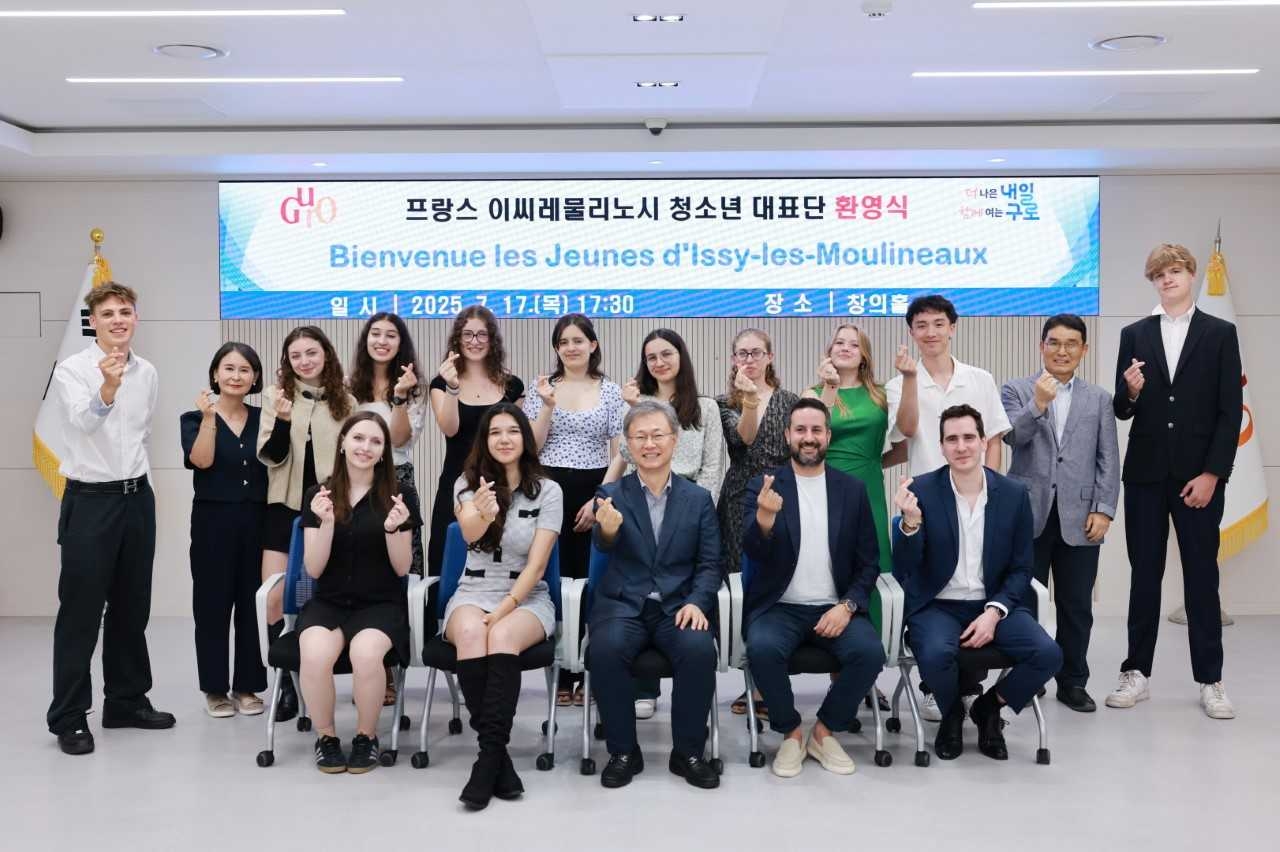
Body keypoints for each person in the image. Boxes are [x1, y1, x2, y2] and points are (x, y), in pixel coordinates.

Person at [1108, 244, 1243, 719]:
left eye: (1175, 271)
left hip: (1199, 477)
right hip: (1145, 475)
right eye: (1159, 274)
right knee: (1144, 575)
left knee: (1202, 577)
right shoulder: (1134, 334)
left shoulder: (1220, 333)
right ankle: (1135, 672)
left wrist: (1212, 474)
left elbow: (1229, 411)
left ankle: (1211, 679)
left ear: (1190, 275)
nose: (1167, 279)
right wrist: (1130, 391)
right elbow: (1121, 409)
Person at [892, 404, 1062, 762]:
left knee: (1048, 654)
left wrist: (994, 612)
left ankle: (988, 708)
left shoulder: (1013, 494)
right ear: (941, 447)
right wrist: (910, 523)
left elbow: (1021, 568)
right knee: (935, 654)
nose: (961, 446)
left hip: (994, 603)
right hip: (938, 604)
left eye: (969, 437)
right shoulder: (922, 490)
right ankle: (952, 713)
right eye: (952, 439)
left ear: (984, 442)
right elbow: (904, 568)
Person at [46, 281, 174, 755]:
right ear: (93, 322)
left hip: (136, 499)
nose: (118, 320)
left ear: (135, 318)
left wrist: (143, 494)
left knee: (132, 606)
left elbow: (141, 436)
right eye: (108, 313)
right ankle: (69, 716)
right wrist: (108, 387)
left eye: (125, 311)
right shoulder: (72, 370)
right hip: (90, 501)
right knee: (80, 612)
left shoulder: (149, 372)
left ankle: (126, 701)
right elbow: (83, 423)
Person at [741, 399, 886, 778]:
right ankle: (790, 731)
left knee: (870, 653)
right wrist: (765, 518)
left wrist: (848, 605)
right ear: (788, 435)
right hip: (779, 607)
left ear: (828, 436)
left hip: (835, 606)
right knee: (761, 649)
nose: (809, 438)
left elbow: (868, 562)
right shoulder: (764, 486)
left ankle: (823, 731)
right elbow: (752, 552)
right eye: (801, 430)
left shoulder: (852, 490)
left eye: (816, 430)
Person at [885, 295, 1011, 721]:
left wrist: (991, 491)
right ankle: (932, 685)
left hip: (977, 500)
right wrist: (908, 378)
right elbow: (905, 432)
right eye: (921, 325)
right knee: (932, 594)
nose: (931, 332)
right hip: (926, 507)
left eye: (939, 323)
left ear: (952, 327)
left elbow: (994, 438)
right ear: (911, 332)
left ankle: (969, 686)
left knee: (976, 589)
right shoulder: (899, 383)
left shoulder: (979, 378)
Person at [590, 400, 723, 791]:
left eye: (657, 435)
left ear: (674, 440)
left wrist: (698, 601)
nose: (649, 444)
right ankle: (623, 752)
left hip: (678, 605)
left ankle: (688, 753)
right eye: (640, 437)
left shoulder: (697, 499)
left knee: (699, 650)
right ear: (628, 445)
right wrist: (608, 529)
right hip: (623, 603)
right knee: (605, 649)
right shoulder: (610, 493)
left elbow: (710, 563)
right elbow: (602, 544)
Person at [1001, 315, 1120, 713]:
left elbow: (1108, 459)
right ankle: (1028, 676)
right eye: (1054, 342)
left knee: (1076, 606)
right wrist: (1038, 403)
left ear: (1083, 350)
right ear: (1042, 346)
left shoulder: (1099, 399)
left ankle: (1073, 682)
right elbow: (1013, 437)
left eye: (1071, 344)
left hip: (1082, 517)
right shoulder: (1016, 390)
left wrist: (1104, 510)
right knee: (1024, 603)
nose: (1062, 351)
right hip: (1026, 515)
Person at [447, 403, 562, 810]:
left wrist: (506, 608)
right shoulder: (467, 484)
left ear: (525, 439)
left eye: (512, 431)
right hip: (473, 590)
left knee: (500, 633)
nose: (504, 439)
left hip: (526, 595)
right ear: (485, 440)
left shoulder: (548, 490)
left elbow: (538, 565)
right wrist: (482, 513)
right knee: (470, 631)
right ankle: (496, 757)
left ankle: (486, 763)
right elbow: (469, 534)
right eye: (495, 432)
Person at [608, 328, 725, 720]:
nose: (659, 362)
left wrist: (696, 510)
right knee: (643, 587)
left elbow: (712, 466)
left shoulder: (705, 407)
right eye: (651, 357)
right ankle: (645, 687)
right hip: (642, 501)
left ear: (681, 356)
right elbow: (629, 455)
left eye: (666, 354)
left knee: (680, 592)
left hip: (690, 505)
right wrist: (632, 408)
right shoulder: (638, 403)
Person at [297, 412, 418, 774]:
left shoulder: (401, 496)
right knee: (314, 653)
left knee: (366, 654)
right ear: (342, 443)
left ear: (384, 452)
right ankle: (327, 738)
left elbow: (402, 568)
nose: (366, 447)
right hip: (330, 602)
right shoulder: (318, 495)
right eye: (358, 438)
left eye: (376, 441)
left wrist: (393, 530)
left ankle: (367, 736)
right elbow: (314, 569)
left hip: (380, 604)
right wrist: (327, 524)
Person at [523, 313, 624, 706]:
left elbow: (620, 451)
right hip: (548, 490)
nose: (571, 347)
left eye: (578, 340)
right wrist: (547, 406)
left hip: (594, 490)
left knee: (590, 581)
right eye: (563, 342)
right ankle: (563, 672)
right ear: (556, 348)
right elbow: (531, 446)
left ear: (592, 345)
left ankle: (591, 669)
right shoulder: (542, 388)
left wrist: (600, 498)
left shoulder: (611, 391)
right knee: (553, 580)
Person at [257, 326, 355, 722]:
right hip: (284, 507)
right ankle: (285, 688)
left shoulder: (346, 399)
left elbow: (356, 458)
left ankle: (326, 675)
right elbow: (271, 455)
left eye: (311, 353)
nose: (304, 361)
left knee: (325, 595)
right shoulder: (275, 396)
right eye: (295, 356)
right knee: (274, 598)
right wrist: (283, 420)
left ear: (326, 354)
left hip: (332, 510)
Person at [180, 342, 270, 718]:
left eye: (245, 369)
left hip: (258, 522)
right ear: (216, 374)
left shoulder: (266, 418)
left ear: (255, 377)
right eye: (229, 368)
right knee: (212, 605)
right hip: (212, 523)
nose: (236, 376)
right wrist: (209, 419)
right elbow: (202, 461)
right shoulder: (193, 418)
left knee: (252, 603)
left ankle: (247, 685)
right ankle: (215, 689)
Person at [717, 328, 798, 719]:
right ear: (734, 359)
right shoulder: (724, 403)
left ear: (770, 356)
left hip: (783, 496)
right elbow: (744, 440)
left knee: (781, 583)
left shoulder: (790, 401)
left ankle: (774, 677)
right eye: (742, 354)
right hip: (739, 498)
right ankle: (754, 683)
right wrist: (749, 399)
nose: (749, 360)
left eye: (756, 353)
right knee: (745, 585)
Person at [350, 312, 427, 707]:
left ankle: (394, 670)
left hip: (397, 482)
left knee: (400, 575)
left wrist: (398, 397)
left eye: (391, 335)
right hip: (356, 482)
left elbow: (399, 439)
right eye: (375, 334)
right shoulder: (348, 386)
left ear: (401, 343)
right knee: (360, 569)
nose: (382, 341)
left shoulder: (413, 386)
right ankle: (367, 668)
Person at [427, 306, 525, 579]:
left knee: (503, 564)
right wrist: (453, 387)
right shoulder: (441, 383)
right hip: (456, 483)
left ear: (492, 340)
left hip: (503, 485)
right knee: (448, 564)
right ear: (457, 339)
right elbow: (449, 429)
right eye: (467, 334)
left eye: (482, 334)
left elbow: (519, 440)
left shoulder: (512, 386)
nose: (475, 341)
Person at [802, 323, 906, 575]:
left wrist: (870, 462)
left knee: (872, 556)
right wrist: (831, 386)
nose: (845, 348)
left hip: (869, 484)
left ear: (864, 356)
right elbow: (813, 439)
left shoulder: (882, 394)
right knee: (827, 554)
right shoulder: (812, 393)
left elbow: (903, 448)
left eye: (854, 344)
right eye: (839, 342)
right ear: (829, 351)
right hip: (825, 483)